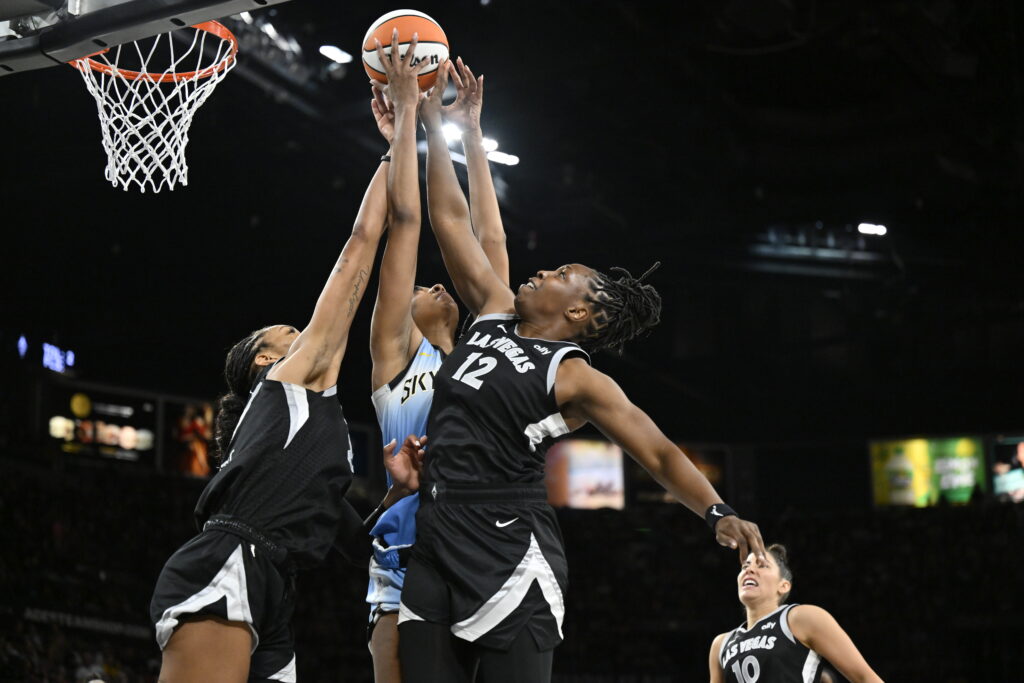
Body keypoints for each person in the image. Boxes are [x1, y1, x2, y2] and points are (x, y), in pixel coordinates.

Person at [373, 41, 766, 683]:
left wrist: (718, 512)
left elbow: (659, 452)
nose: (545, 269)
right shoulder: (496, 309)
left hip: (510, 549)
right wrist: (430, 120)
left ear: (580, 313)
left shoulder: (575, 376)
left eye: (562, 274)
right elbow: (450, 218)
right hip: (439, 533)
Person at [148, 92, 426, 682]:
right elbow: (359, 248)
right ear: (265, 361)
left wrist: (396, 495)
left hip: (277, 583)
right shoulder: (285, 385)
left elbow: (356, 540)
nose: (298, 331)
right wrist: (390, 150)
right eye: (283, 333)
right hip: (230, 559)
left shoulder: (317, 425)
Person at [363, 35, 510, 683]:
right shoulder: (395, 355)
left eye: (437, 283)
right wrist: (408, 128)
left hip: (484, 546)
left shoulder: (483, 348)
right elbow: (407, 224)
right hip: (406, 550)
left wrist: (466, 131)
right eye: (423, 286)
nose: (435, 284)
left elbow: (483, 239)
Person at [709, 545, 884, 683]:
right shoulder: (721, 644)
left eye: (762, 565)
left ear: (783, 585)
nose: (749, 569)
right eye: (745, 566)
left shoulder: (800, 618)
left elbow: (865, 678)